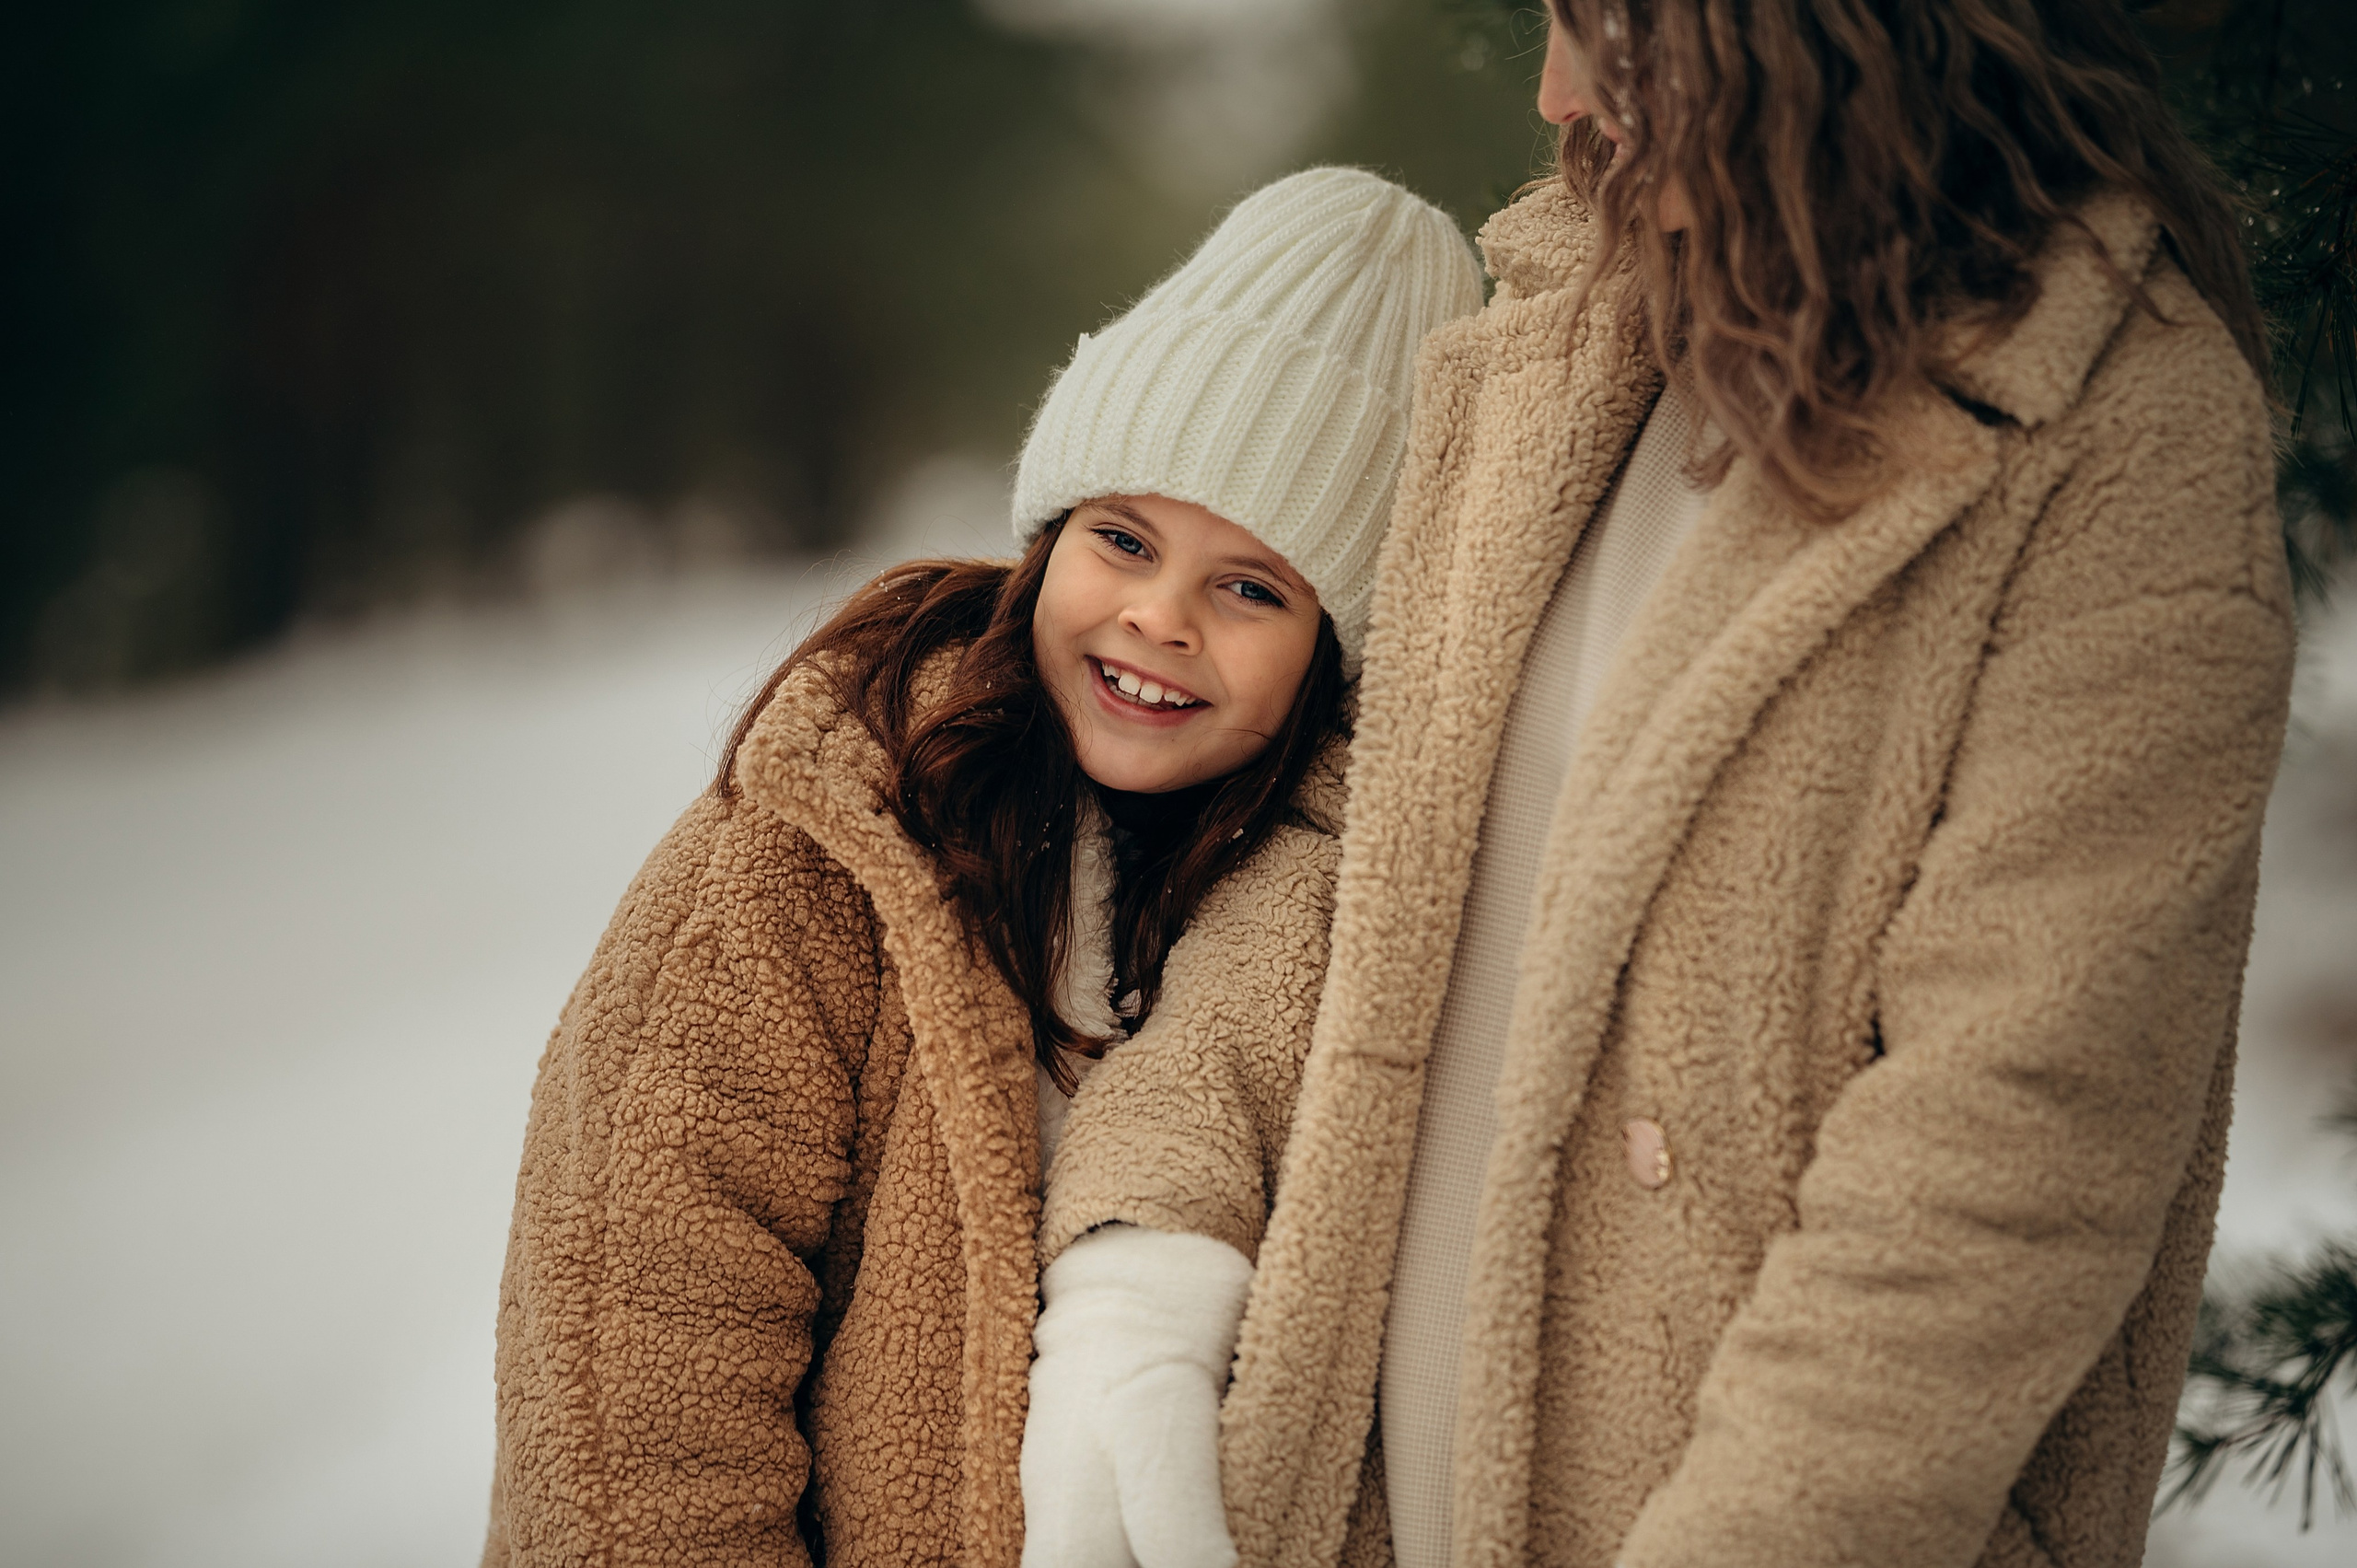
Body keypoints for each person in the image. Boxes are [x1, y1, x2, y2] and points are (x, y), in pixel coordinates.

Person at [1019, 4, 2298, 1566]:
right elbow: (1347, 855)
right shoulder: (1572, 331)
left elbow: (2005, 1159)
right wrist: (1147, 1245)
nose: (1555, 89)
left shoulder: (2126, 437)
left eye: (1601, 24)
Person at [479, 167, 1482, 1568]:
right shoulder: (820, 845)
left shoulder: (1330, 908)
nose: (1158, 616)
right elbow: (640, 1332)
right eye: (1122, 538)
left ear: (1337, 654)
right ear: (1048, 535)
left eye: (1250, 588)